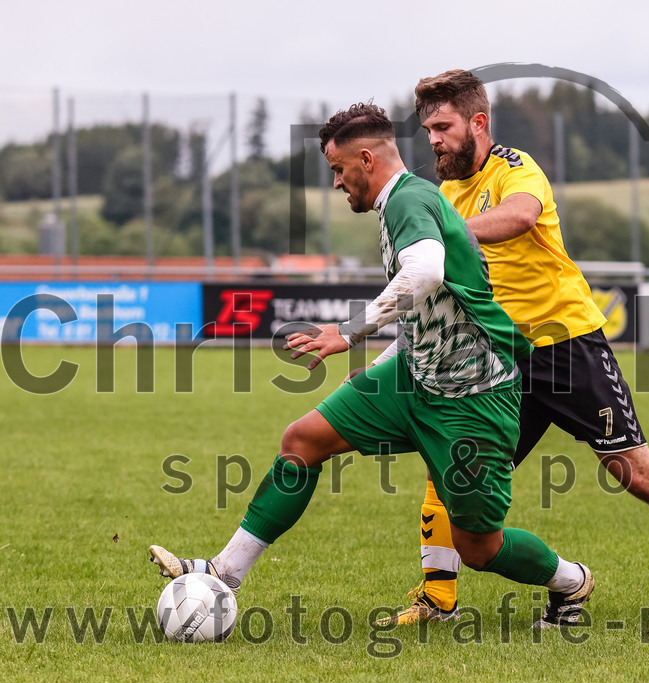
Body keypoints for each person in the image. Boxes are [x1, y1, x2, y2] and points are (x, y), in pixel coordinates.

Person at [150, 102, 596, 629]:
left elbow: (426, 274)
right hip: (414, 377)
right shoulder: (403, 203)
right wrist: (382, 363)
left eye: (338, 170)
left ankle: (572, 582)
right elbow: (427, 311)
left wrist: (349, 331)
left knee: (478, 546)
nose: (337, 183)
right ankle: (224, 573)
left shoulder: (407, 199)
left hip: (472, 398)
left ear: (366, 159)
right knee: (303, 439)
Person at [371, 69, 649, 626]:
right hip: (498, 359)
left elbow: (520, 216)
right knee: (450, 466)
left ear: (478, 122)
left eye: (443, 127)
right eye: (427, 129)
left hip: (567, 346)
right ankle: (438, 599)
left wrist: (451, 232)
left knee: (637, 475)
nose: (434, 140)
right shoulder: (443, 192)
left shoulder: (516, 170)